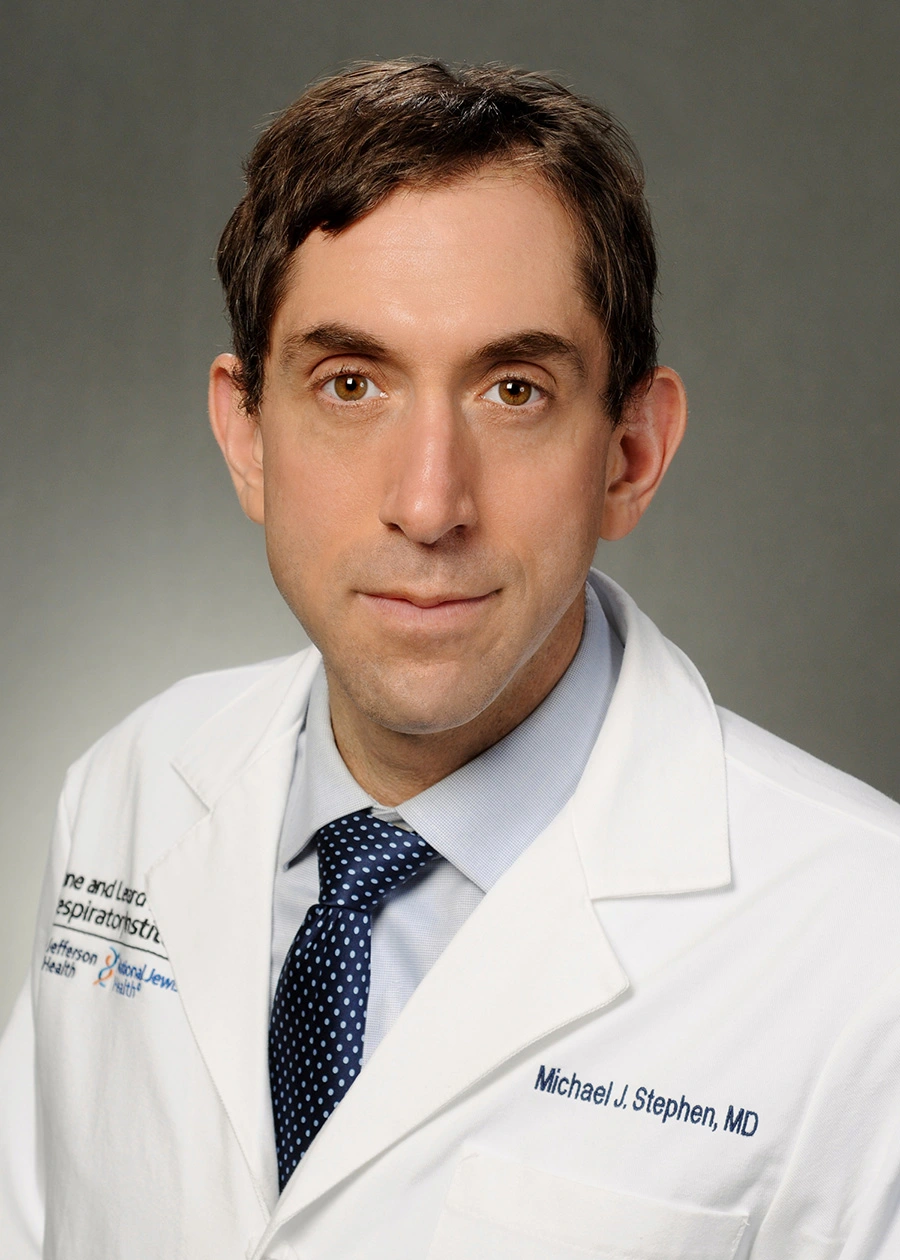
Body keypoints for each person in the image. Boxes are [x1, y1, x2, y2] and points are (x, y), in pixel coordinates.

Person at [2, 58, 900, 1260]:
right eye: (351, 383)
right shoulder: (129, 789)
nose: (429, 504)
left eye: (513, 390)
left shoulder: (866, 950)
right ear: (247, 434)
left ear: (630, 454)